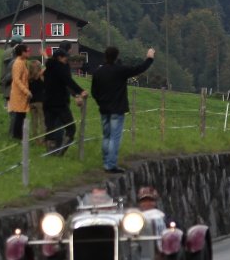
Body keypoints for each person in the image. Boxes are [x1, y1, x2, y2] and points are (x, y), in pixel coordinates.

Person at [89, 45, 155, 173]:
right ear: (116, 57)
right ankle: (110, 165)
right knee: (115, 138)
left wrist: (100, 102)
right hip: (117, 109)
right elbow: (139, 69)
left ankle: (105, 161)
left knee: (106, 136)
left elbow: (94, 92)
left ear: (105, 56)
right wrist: (149, 58)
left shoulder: (98, 72)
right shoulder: (120, 70)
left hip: (104, 109)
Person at [40, 47, 87, 156]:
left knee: (50, 128)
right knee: (71, 129)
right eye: (65, 59)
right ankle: (60, 152)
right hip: (60, 104)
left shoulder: (48, 67)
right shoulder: (61, 68)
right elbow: (68, 81)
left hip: (47, 103)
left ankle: (50, 153)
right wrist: (80, 91)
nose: (66, 61)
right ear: (59, 58)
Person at [6, 42, 33, 141]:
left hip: (22, 94)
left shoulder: (23, 62)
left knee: (22, 115)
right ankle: (17, 136)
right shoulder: (18, 63)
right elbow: (16, 80)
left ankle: (20, 136)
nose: (29, 52)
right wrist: (26, 91)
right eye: (28, 51)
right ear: (22, 52)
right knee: (19, 115)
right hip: (19, 94)